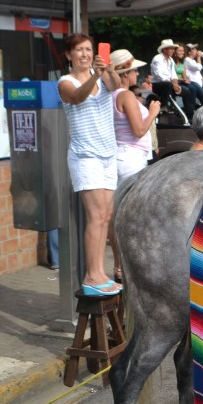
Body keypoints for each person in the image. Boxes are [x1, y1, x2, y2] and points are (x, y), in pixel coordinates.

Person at [57, 33, 122, 296]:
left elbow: (117, 86)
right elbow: (76, 97)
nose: (84, 54)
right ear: (69, 55)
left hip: (108, 154)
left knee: (106, 216)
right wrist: (95, 75)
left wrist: (108, 70)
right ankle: (91, 275)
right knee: (95, 216)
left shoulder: (102, 76)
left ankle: (101, 273)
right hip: (86, 156)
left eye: (88, 49)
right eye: (79, 50)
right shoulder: (66, 81)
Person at [109, 49, 160, 281]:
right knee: (131, 216)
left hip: (122, 157)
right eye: (134, 70)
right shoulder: (126, 96)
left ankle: (120, 266)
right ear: (125, 72)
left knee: (118, 215)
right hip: (131, 158)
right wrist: (152, 113)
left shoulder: (110, 95)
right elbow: (139, 130)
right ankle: (128, 267)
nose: (137, 74)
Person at [151, 38, 195, 119]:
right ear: (164, 50)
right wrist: (173, 84)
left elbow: (173, 75)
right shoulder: (157, 59)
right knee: (167, 84)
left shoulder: (171, 60)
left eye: (173, 48)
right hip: (158, 85)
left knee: (187, 91)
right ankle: (163, 105)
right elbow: (160, 76)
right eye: (171, 48)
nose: (173, 50)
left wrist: (175, 84)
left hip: (169, 84)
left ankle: (189, 115)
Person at [183, 43, 203, 110]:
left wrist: (202, 79)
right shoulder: (187, 60)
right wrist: (199, 57)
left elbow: (197, 72)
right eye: (193, 49)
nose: (196, 50)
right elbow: (198, 67)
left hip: (199, 83)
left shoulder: (193, 61)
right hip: (193, 83)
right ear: (189, 52)